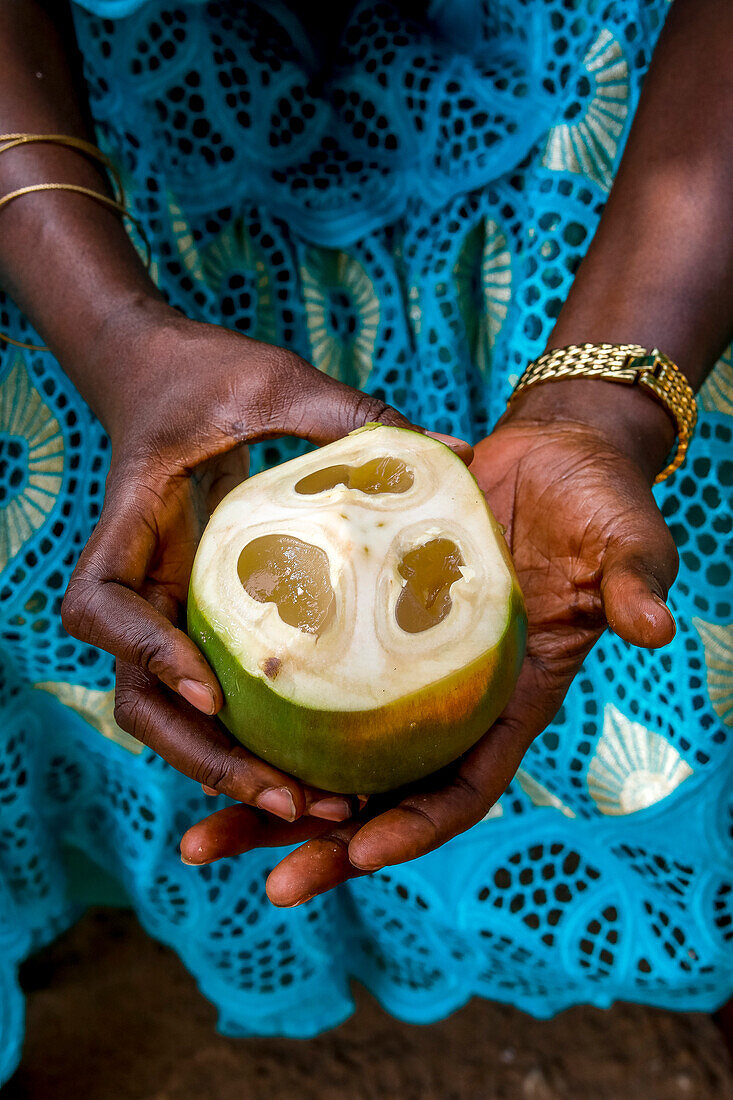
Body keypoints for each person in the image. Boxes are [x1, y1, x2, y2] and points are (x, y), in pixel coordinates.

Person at [0, 0, 731, 1080]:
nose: (349, 531)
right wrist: (109, 326)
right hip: (101, 142)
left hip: (626, 134)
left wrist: (604, 405)